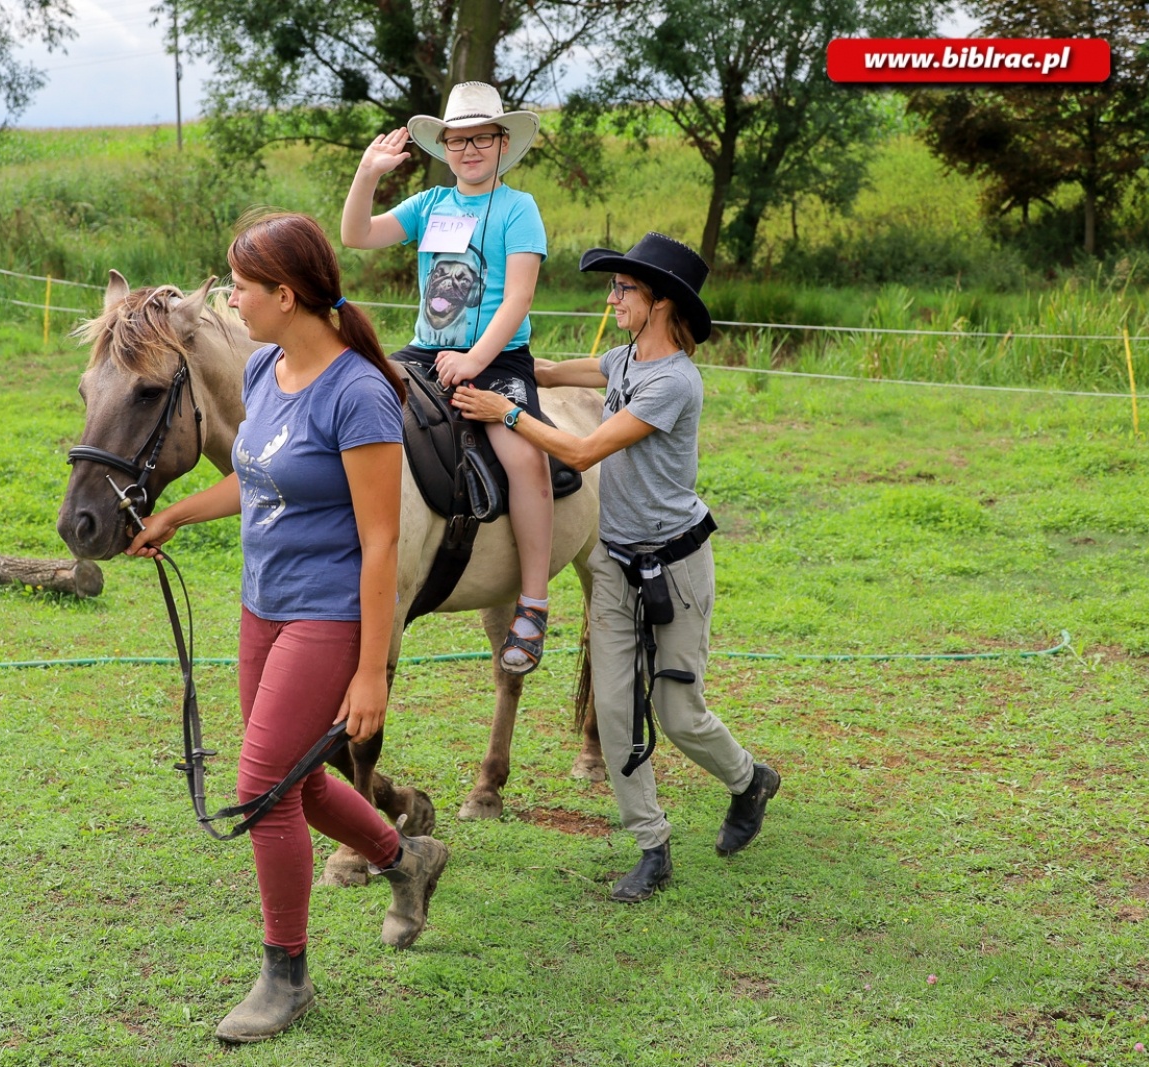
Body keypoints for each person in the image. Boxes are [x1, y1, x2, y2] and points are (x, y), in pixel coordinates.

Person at [127, 212, 450, 1042]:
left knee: (261, 790)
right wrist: (178, 515)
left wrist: (371, 670)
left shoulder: (360, 394)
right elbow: (258, 477)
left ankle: (287, 975)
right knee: (296, 784)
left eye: (240, 285)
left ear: (286, 293)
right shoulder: (269, 367)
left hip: (328, 614)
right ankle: (405, 857)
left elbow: (381, 541)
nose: (230, 298)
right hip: (261, 606)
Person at [450, 231, 780, 903]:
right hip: (616, 562)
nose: (612, 297)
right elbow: (552, 371)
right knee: (614, 708)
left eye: (622, 288)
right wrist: (495, 361)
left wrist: (504, 411)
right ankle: (651, 846)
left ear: (658, 301)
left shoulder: (673, 383)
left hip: (677, 566)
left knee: (678, 712)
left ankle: (750, 780)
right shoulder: (626, 357)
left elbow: (582, 450)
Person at [341, 81, 555, 675]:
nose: (469, 150)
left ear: (501, 142)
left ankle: (533, 602)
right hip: (423, 353)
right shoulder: (430, 205)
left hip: (496, 357)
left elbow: (518, 298)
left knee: (525, 458)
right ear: (445, 147)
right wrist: (368, 174)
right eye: (458, 140)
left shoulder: (519, 209)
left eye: (480, 138)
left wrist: (475, 361)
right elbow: (356, 235)